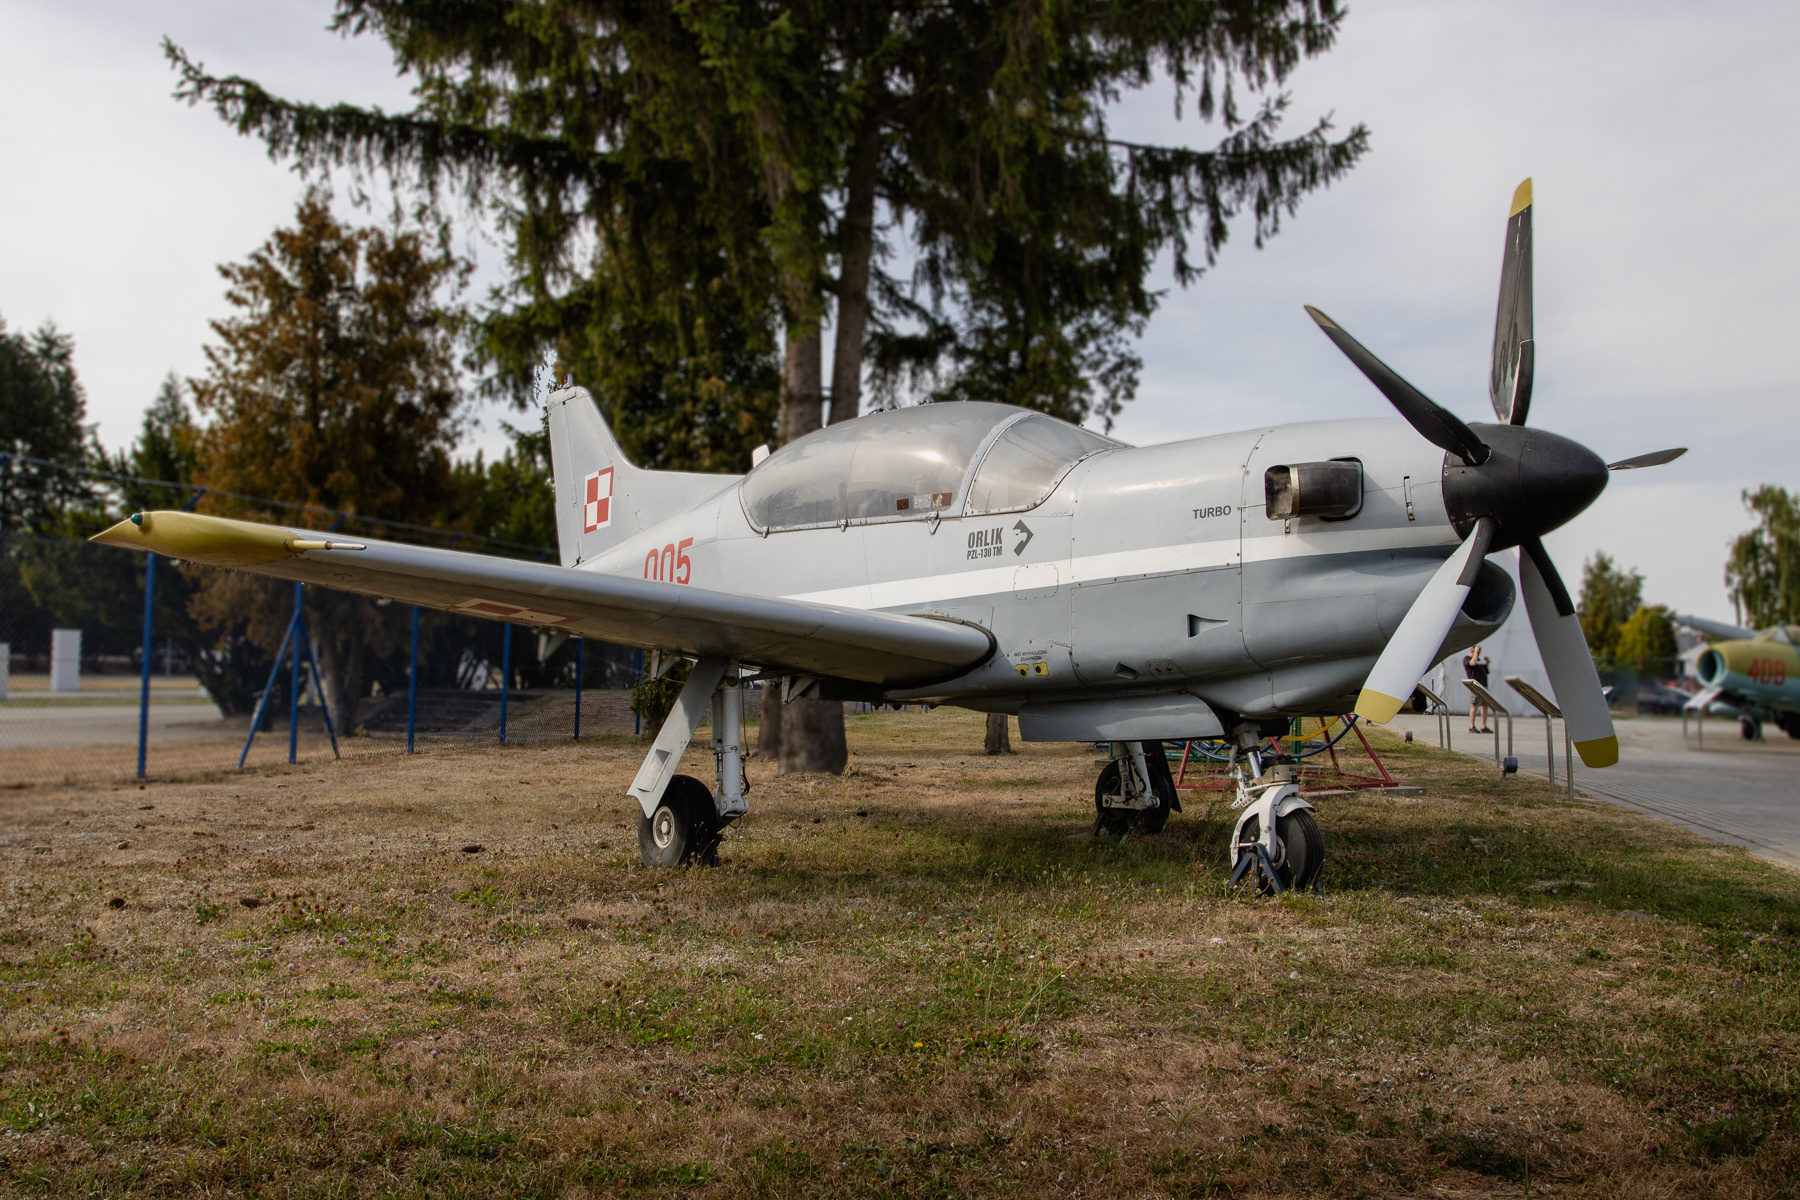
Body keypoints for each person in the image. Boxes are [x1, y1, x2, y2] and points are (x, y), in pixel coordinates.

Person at [1464, 645, 1492, 733]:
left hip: (1483, 685)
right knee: (1475, 705)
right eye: (1477, 652)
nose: (1478, 654)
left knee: (1485, 705)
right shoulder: (1467, 659)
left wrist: (1487, 664)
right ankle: (1472, 726)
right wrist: (1475, 652)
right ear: (1472, 651)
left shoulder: (1478, 661)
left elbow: (1485, 671)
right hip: (1476, 686)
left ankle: (1484, 726)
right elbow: (1472, 663)